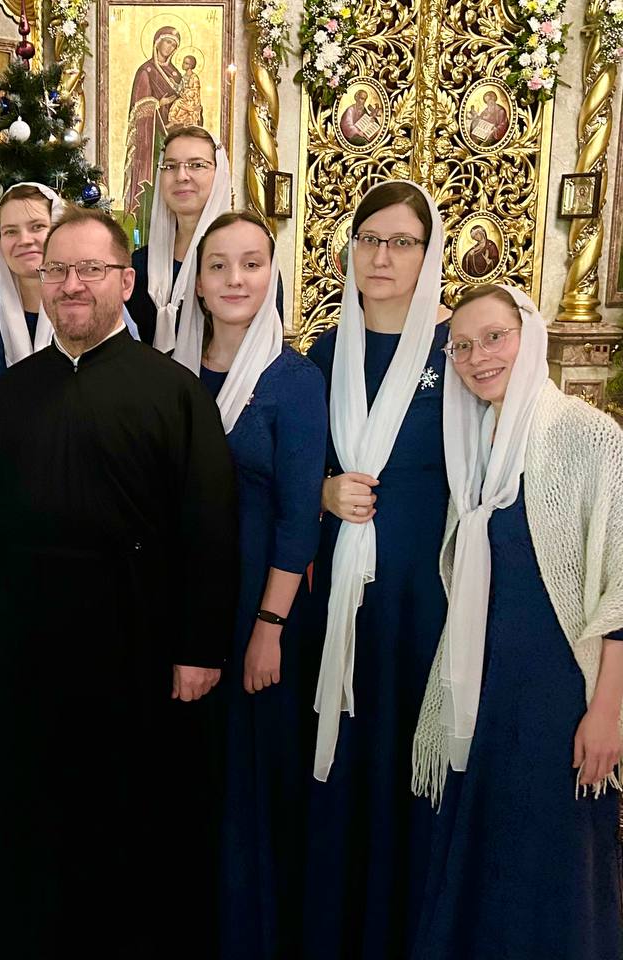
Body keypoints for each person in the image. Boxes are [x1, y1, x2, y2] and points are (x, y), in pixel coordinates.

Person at [0, 207, 239, 957]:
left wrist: (199, 649)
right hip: (34, 657)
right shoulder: (13, 391)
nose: (72, 285)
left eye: (90, 270)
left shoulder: (174, 391)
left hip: (141, 653)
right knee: (42, 828)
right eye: (57, 270)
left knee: (139, 834)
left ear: (125, 282)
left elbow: (210, 525)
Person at [409, 284, 623, 960]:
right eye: (462, 346)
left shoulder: (588, 436)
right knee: (484, 854)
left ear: (529, 338)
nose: (479, 357)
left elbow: (620, 588)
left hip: (557, 692)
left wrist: (607, 713)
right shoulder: (474, 442)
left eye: (494, 337)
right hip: (484, 682)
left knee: (552, 862)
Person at [303, 180, 449, 960]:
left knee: (412, 767)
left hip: (427, 601)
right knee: (349, 766)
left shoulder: (460, 350)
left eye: (401, 243)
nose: (382, 257)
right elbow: (294, 467)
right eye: (369, 240)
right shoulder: (327, 353)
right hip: (343, 602)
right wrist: (325, 491)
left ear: (429, 255)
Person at [192, 212, 327, 960]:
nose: (234, 279)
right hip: (189, 604)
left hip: (257, 606)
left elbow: (298, 514)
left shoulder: (292, 378)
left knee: (252, 779)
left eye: (250, 263)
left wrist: (269, 628)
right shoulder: (176, 367)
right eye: (218, 265)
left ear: (271, 275)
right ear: (198, 281)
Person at [0, 182, 140, 421]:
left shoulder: (95, 305)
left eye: (37, 227)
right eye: (10, 231)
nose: (24, 240)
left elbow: (130, 384)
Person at [124, 125, 232, 350]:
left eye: (197, 165)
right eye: (170, 166)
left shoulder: (244, 263)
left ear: (220, 174)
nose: (181, 176)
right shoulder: (140, 264)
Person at [122, 26, 183, 220]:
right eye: (167, 42)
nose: (169, 47)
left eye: (173, 45)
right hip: (151, 138)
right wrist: (159, 103)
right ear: (157, 42)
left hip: (173, 135)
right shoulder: (146, 71)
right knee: (152, 184)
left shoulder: (176, 75)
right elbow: (139, 108)